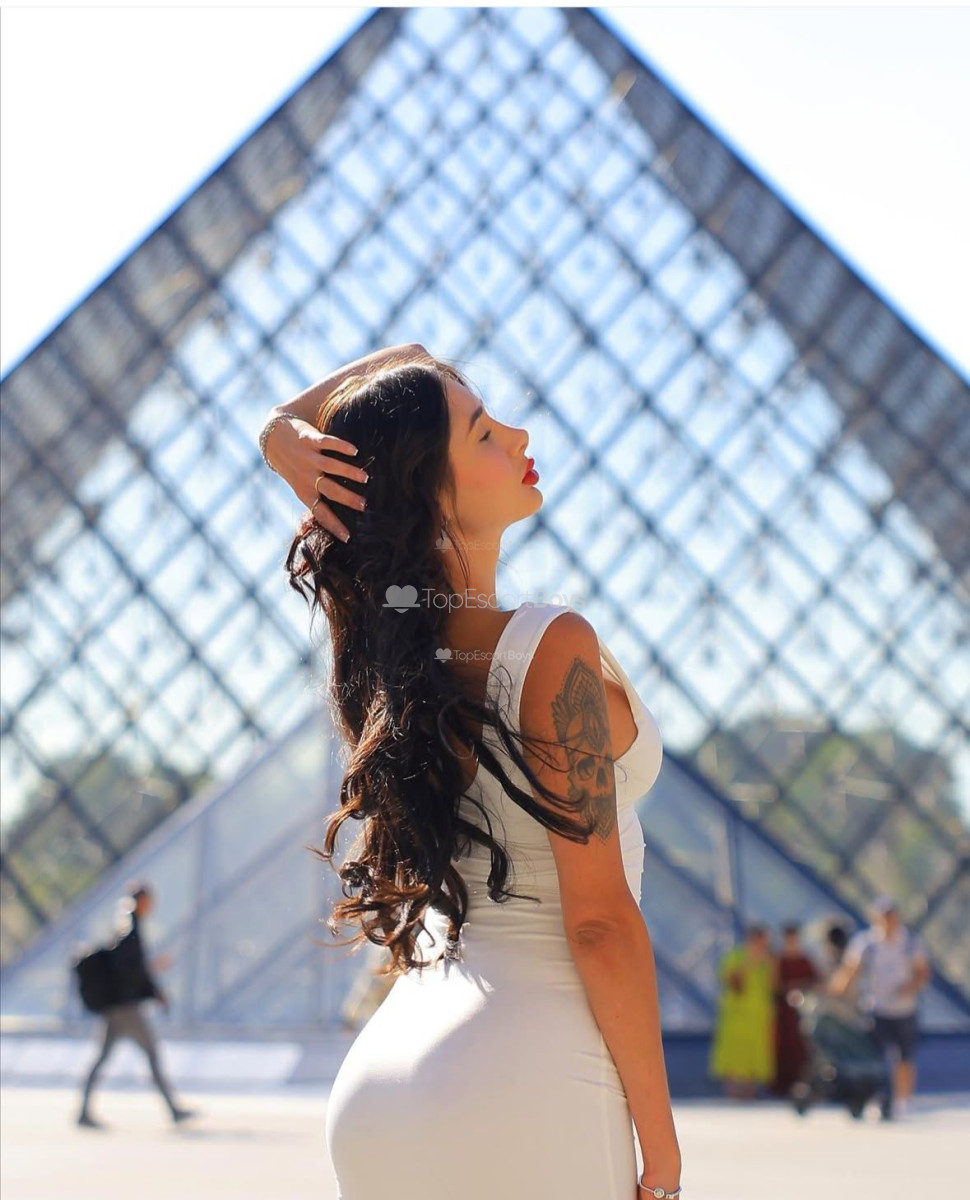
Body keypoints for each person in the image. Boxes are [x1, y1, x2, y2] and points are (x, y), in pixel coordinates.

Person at [258, 345, 681, 1199]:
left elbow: (413, 362)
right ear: (430, 495)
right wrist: (662, 1155)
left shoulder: (395, 660)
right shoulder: (547, 645)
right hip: (532, 1077)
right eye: (485, 432)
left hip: (385, 1081)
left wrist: (276, 433)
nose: (518, 434)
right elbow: (599, 924)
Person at [77, 883, 197, 1129]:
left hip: (115, 1008)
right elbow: (132, 972)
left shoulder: (123, 928)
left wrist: (149, 979)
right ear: (141, 901)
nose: (152, 906)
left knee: (102, 1059)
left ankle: (83, 1111)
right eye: (149, 901)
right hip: (127, 1009)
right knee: (152, 1055)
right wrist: (154, 988)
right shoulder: (131, 930)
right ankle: (173, 1109)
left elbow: (131, 969)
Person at [829, 896, 930, 1118]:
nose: (887, 920)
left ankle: (903, 1100)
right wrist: (835, 991)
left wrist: (911, 987)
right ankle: (877, 1097)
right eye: (883, 916)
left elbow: (922, 972)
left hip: (904, 1009)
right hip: (876, 1009)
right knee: (875, 1058)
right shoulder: (866, 943)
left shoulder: (911, 942)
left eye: (890, 916)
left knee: (904, 1057)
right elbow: (851, 970)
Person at [709, 925, 777, 1100]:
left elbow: (774, 986)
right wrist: (750, 963)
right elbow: (732, 982)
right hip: (736, 1013)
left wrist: (771, 965)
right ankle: (732, 1091)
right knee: (733, 1050)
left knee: (754, 1051)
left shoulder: (768, 960)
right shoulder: (735, 957)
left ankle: (750, 1090)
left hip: (758, 1014)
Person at [771, 922, 819, 1096]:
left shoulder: (805, 960)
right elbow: (774, 984)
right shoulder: (778, 960)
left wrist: (800, 988)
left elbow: (815, 982)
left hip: (802, 1011)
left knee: (802, 1048)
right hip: (783, 1012)